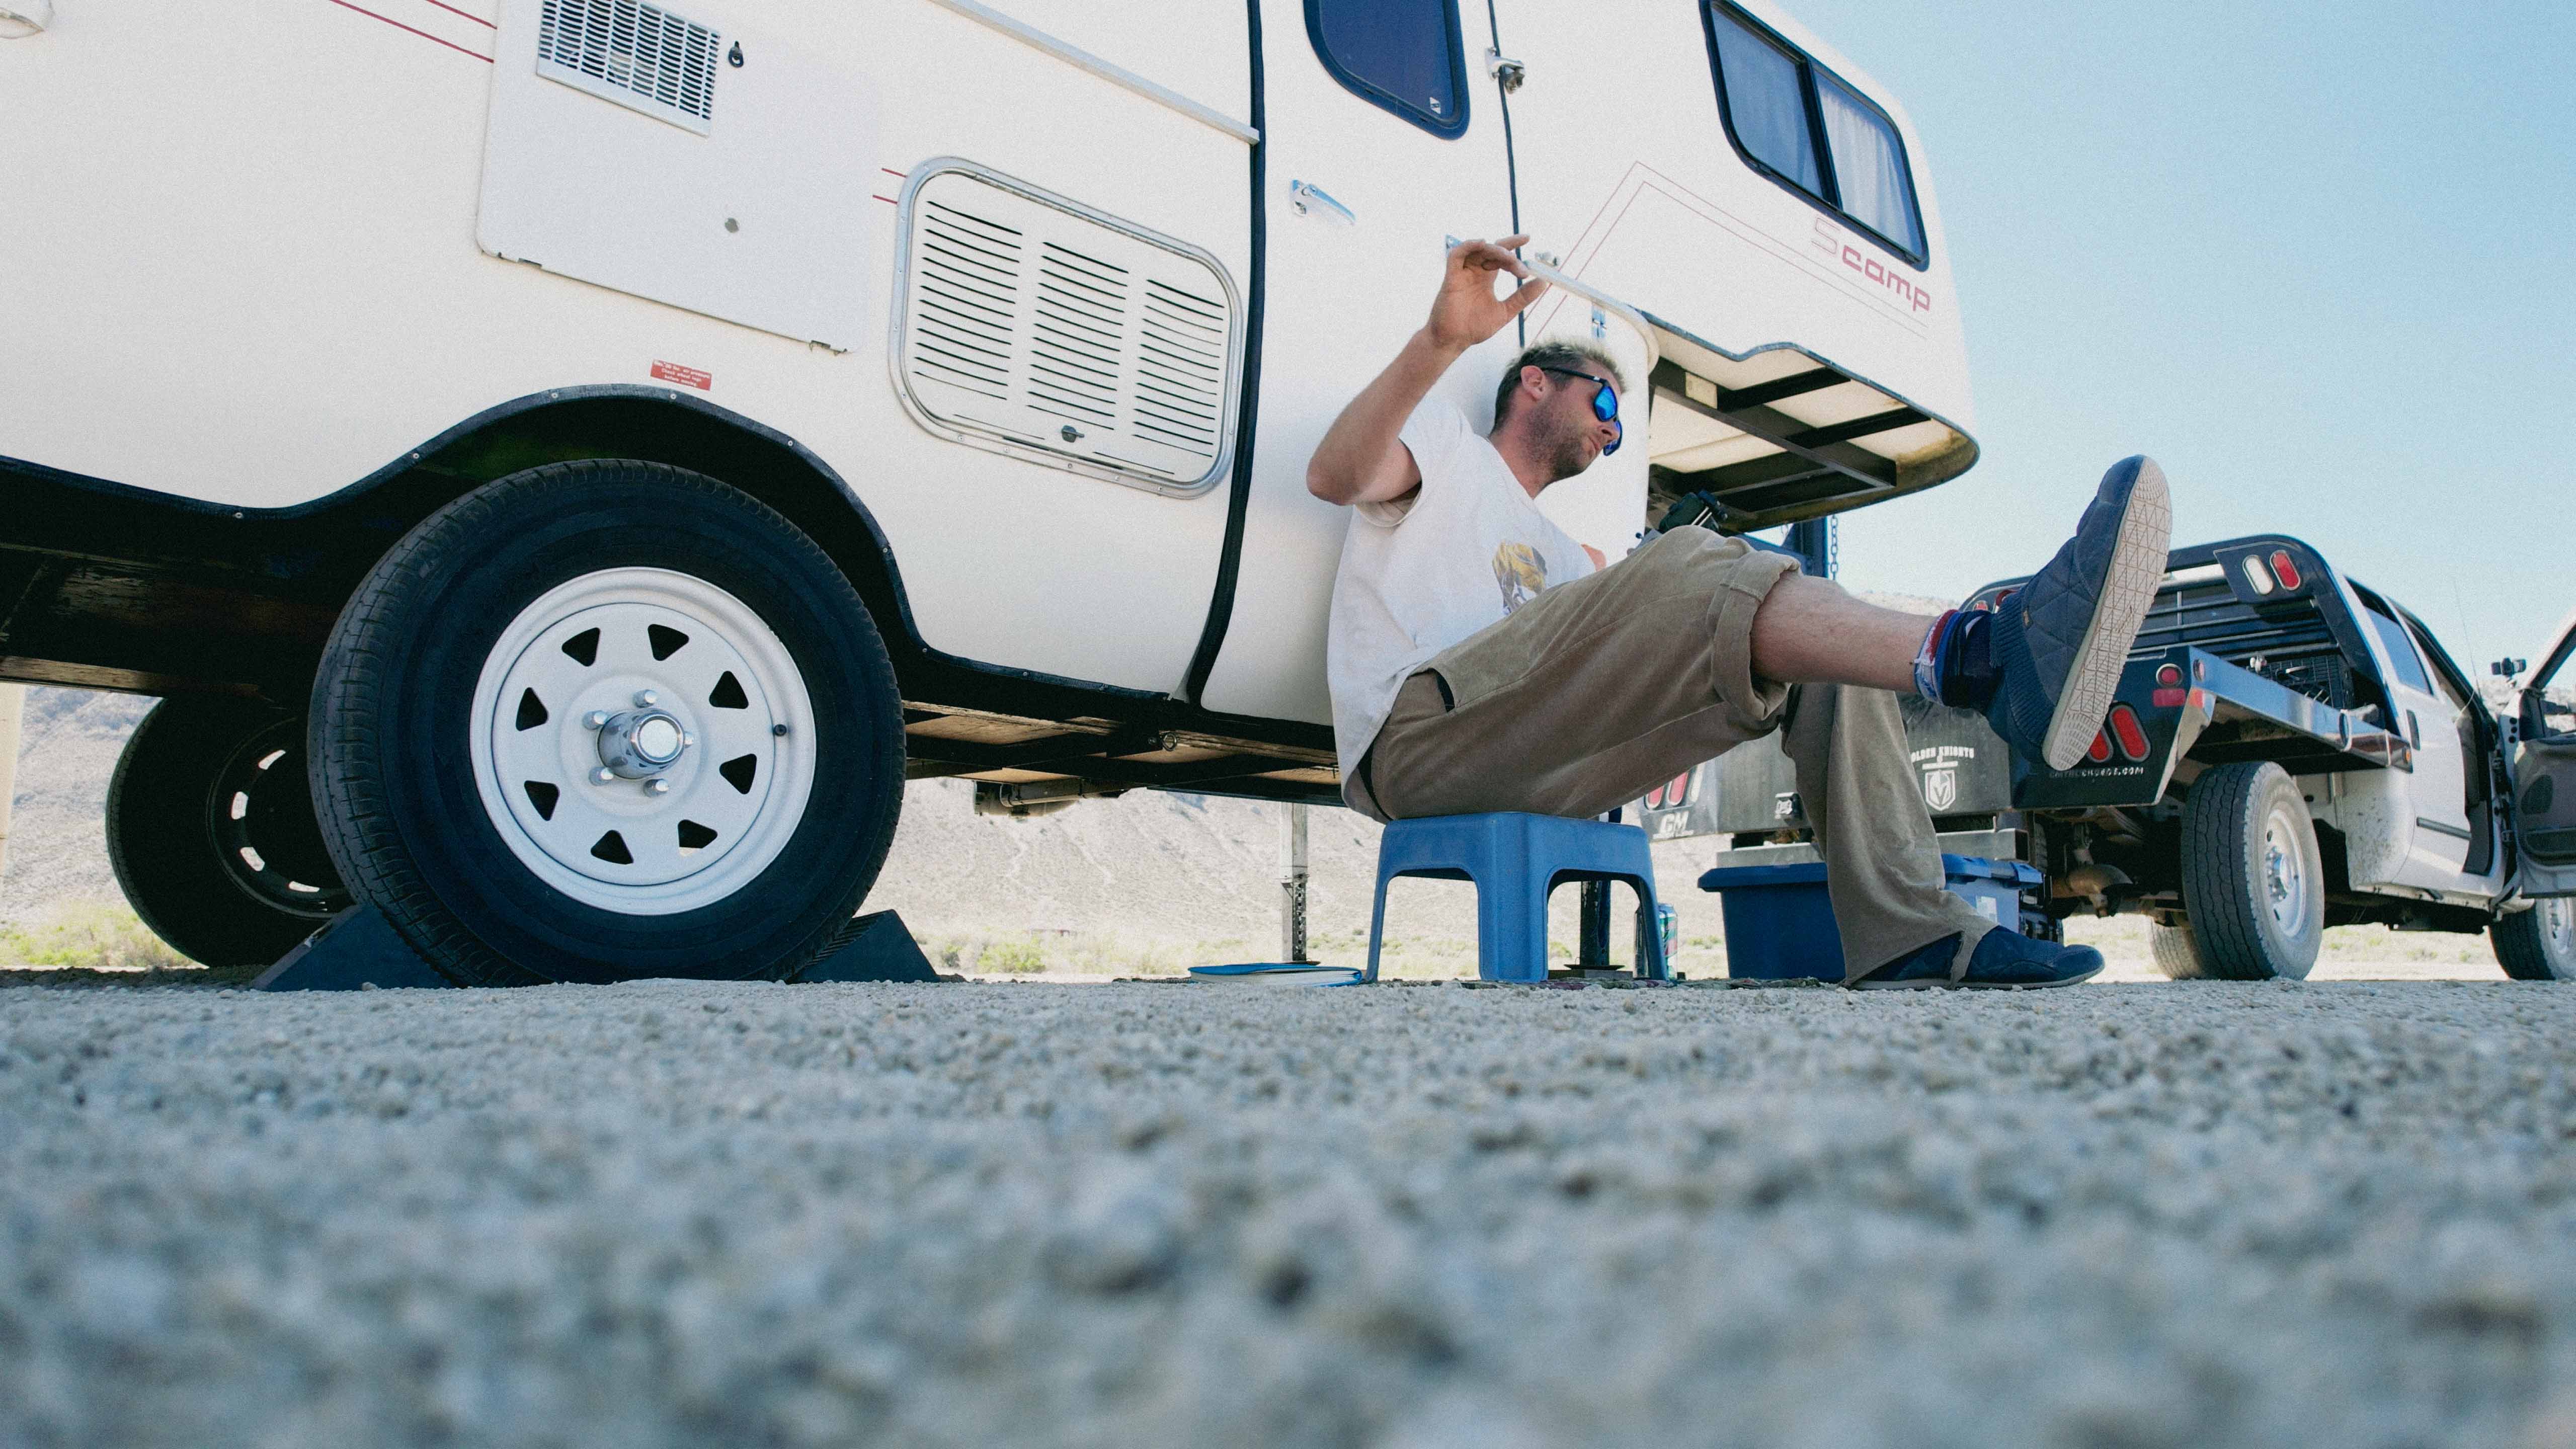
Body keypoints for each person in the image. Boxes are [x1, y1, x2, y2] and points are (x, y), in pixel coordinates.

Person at [1309, 237, 2171, 989]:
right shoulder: (1451, 457)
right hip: (1416, 745)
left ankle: (1916, 933)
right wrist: (1441, 341)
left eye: (1620, 425)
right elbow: (1336, 477)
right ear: (1534, 383)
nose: (1612, 434)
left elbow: (1589, 648)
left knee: (1812, 643)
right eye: (1605, 403)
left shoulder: (1568, 555)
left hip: (1542, 759)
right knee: (1695, 566)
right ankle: (1982, 657)